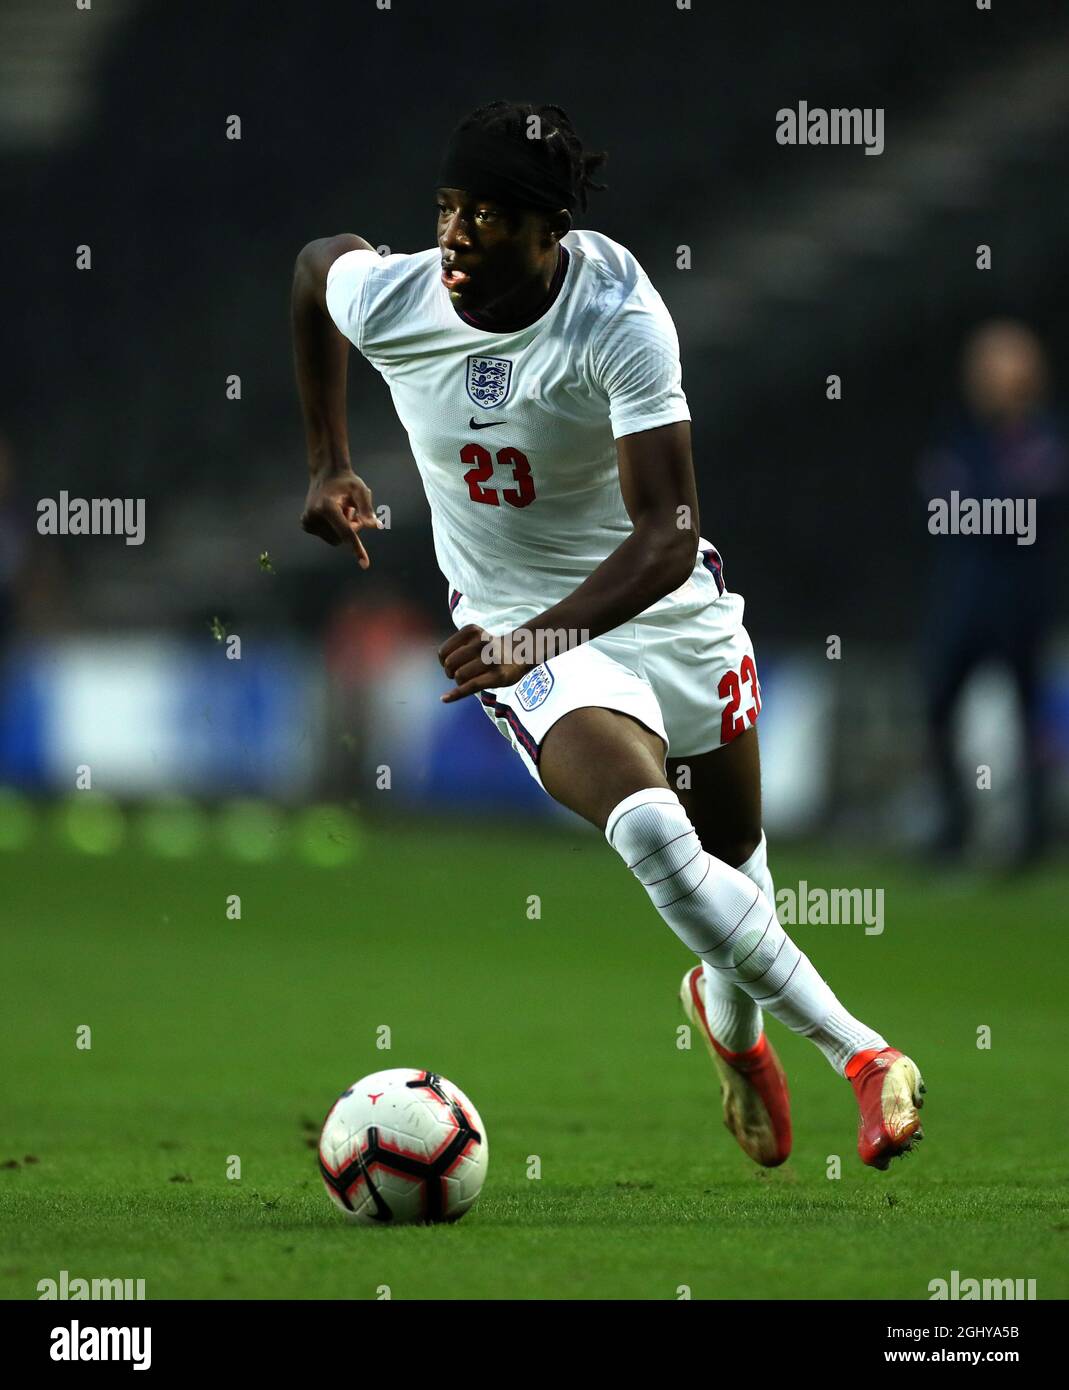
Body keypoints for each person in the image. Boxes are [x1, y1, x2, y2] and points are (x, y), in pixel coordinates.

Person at [291, 100, 925, 1170]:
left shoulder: (615, 313)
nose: (454, 235)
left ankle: (735, 1035)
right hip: (517, 633)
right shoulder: (399, 294)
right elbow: (315, 267)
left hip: (658, 610)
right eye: (447, 208)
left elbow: (668, 535)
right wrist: (326, 460)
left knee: (733, 867)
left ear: (549, 235)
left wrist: (541, 637)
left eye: (486, 216)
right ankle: (865, 1058)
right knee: (650, 836)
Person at [920, 320, 1066, 867]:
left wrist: (979, 508)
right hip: (962, 599)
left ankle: (1033, 837)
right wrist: (999, 508)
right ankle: (951, 826)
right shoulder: (958, 436)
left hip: (1022, 603)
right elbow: (938, 511)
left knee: (1029, 716)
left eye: (1002, 364)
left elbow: (1034, 512)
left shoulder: (1046, 439)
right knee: (938, 706)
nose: (988, 376)